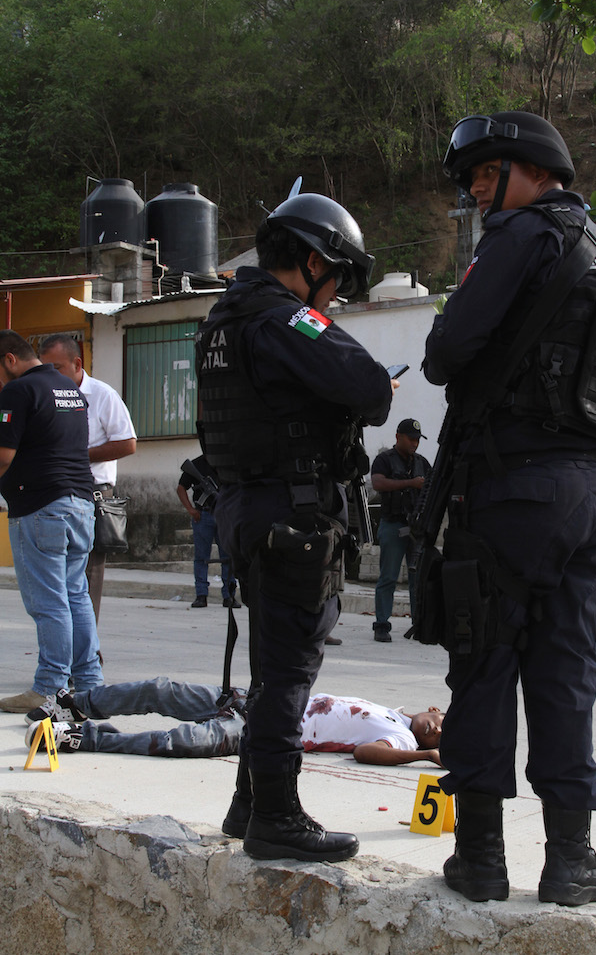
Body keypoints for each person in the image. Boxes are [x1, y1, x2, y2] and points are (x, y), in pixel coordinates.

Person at [423, 111, 596, 907]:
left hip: (516, 486)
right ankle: (572, 859)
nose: (480, 194)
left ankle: (481, 859)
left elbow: (447, 355)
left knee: (485, 661)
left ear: (530, 168)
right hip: (595, 490)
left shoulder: (520, 238)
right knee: (567, 673)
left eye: (487, 176)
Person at [196, 188, 394, 863]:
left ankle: (249, 802)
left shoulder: (223, 320)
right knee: (288, 672)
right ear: (313, 261)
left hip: (250, 514)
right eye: (337, 279)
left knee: (272, 664)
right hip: (292, 519)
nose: (334, 298)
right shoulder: (285, 320)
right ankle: (277, 817)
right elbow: (366, 383)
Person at [0, 330, 103, 714]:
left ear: (9, 360)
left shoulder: (17, 391)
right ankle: (90, 686)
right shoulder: (67, 387)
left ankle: (49, 687)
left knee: (49, 602)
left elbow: (3, 456)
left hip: (40, 506)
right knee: (75, 596)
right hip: (79, 505)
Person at [24, 683, 444, 772]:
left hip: (258, 731)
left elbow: (366, 753)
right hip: (248, 699)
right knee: (161, 691)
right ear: (434, 708)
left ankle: (82, 739)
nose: (437, 730)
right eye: (443, 722)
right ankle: (74, 704)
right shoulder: (394, 711)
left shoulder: (402, 738)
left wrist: (423, 755)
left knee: (179, 743)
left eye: (442, 737)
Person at [38, 333, 137, 623]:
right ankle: (67, 644)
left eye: (55, 368)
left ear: (77, 363)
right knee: (58, 576)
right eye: (45, 370)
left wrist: (77, 456)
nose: (50, 376)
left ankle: (87, 649)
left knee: (88, 575)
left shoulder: (102, 394)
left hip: (92, 492)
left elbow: (127, 443)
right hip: (56, 491)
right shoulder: (48, 395)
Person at [371, 418, 432, 642]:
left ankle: (419, 623)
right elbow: (378, 483)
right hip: (394, 524)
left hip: (417, 528)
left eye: (417, 440)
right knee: (388, 577)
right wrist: (410, 483)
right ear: (398, 437)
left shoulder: (422, 463)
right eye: (411, 439)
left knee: (418, 579)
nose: (415, 444)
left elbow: (432, 488)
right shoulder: (384, 460)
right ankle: (381, 625)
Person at [176, 454, 236, 609]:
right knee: (202, 557)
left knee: (228, 555)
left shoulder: (227, 462)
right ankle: (201, 595)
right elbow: (181, 488)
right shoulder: (196, 465)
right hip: (203, 514)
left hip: (224, 515)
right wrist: (190, 509)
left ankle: (229, 595)